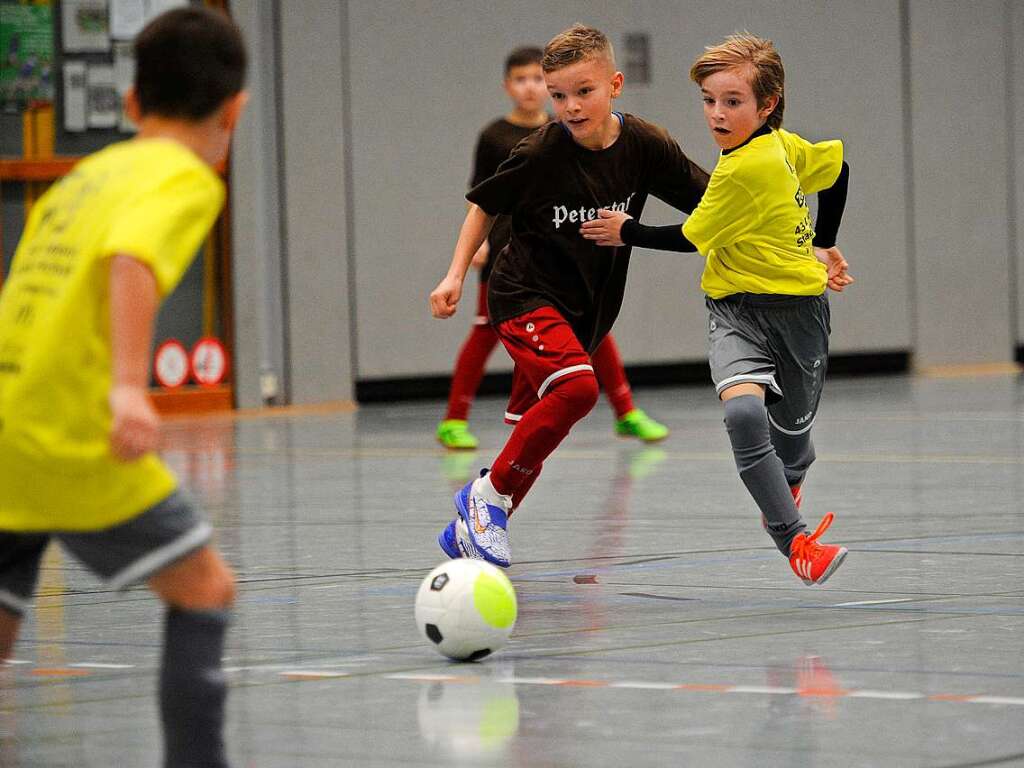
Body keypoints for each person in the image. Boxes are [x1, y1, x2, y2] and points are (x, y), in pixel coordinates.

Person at [0, 7, 246, 766]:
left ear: (132, 104)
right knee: (204, 589)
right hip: (69, 432)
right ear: (234, 111)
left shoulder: (90, 172)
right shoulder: (184, 178)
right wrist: (126, 387)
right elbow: (132, 257)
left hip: (8, 412)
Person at [429, 24, 709, 567]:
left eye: (584, 91)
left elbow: (710, 202)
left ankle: (468, 536)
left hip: (587, 310)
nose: (570, 106)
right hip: (523, 296)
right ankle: (482, 499)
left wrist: (803, 243)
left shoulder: (646, 146)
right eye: (560, 96)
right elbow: (484, 205)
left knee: (529, 436)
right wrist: (455, 274)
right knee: (579, 389)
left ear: (616, 85)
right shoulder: (540, 151)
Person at [581, 32, 852, 585]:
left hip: (799, 314)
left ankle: (790, 476)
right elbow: (838, 171)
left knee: (793, 442)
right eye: (709, 100)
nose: (717, 114)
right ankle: (796, 540)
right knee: (744, 414)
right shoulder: (770, 150)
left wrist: (627, 230)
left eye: (733, 102)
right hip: (734, 310)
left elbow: (691, 237)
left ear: (767, 105)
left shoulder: (754, 163)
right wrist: (824, 239)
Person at [437, 45, 669, 451]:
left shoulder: (574, 132)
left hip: (564, 253)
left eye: (536, 81)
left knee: (590, 333)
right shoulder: (501, 137)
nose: (531, 89)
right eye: (522, 80)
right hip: (511, 257)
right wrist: (471, 256)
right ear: (508, 86)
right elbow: (481, 199)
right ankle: (454, 418)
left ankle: (626, 410)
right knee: (484, 332)